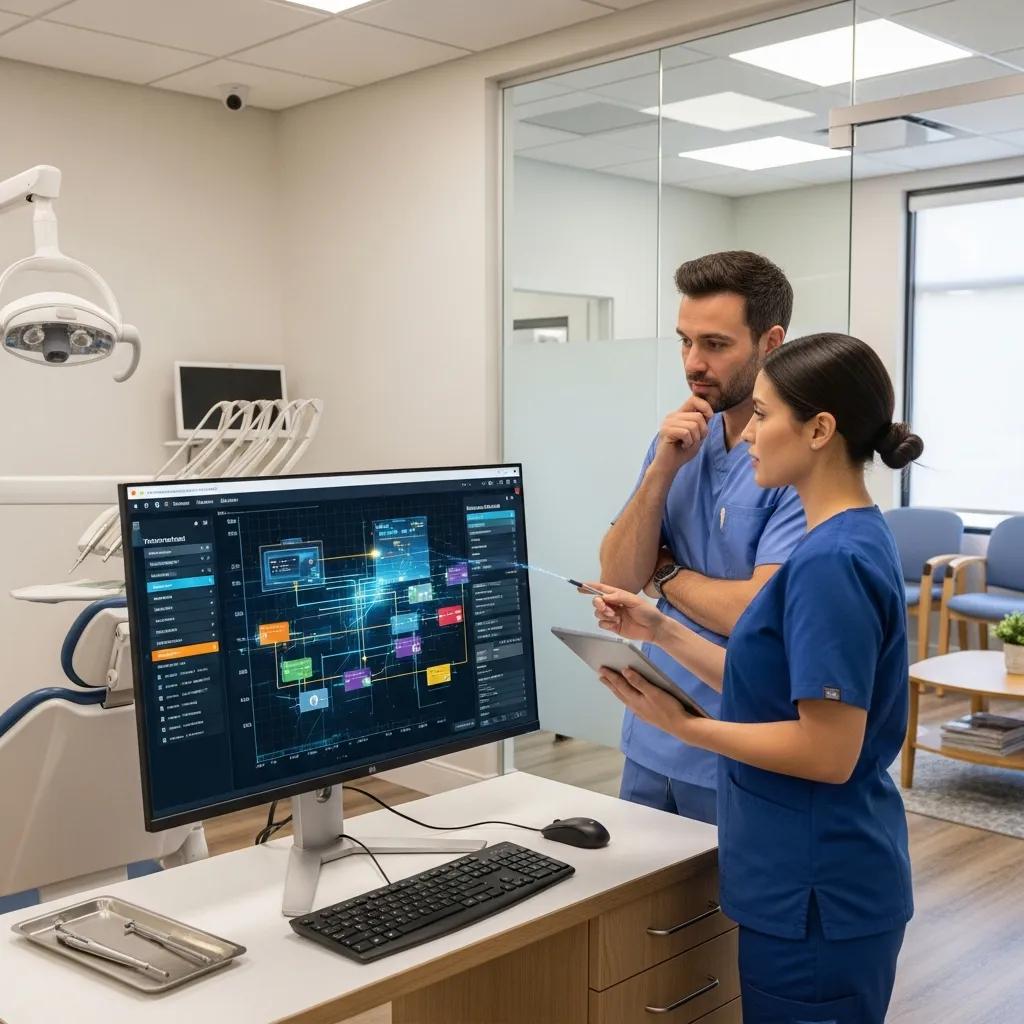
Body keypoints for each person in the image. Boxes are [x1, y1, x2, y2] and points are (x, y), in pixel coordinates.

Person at [591, 332, 920, 1022]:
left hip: (818, 891)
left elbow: (827, 754)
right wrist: (659, 629)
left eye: (765, 417)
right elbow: (767, 680)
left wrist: (688, 727)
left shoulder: (832, 562)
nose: (747, 440)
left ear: (820, 429)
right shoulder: (849, 536)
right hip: (806, 879)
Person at [600, 251, 805, 824]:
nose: (694, 363)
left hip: (735, 738)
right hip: (651, 729)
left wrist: (664, 574)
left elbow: (754, 617)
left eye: (715, 345)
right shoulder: (679, 440)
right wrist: (662, 470)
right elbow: (616, 578)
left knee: (717, 913)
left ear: (770, 342)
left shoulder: (796, 460)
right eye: (684, 342)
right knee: (635, 907)